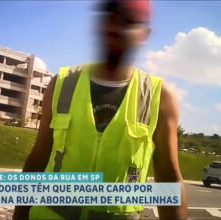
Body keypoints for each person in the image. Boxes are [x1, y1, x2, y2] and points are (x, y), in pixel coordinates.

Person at [13, 0, 187, 219]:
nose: (115, 28)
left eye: (128, 21)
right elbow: (38, 159)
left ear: (144, 34)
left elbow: (169, 178)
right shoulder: (62, 83)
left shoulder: (160, 97)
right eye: (110, 18)